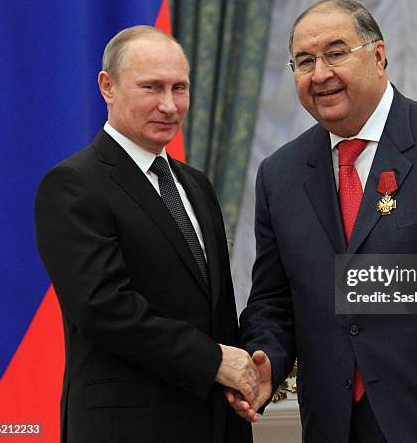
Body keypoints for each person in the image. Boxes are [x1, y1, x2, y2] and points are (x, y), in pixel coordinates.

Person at [230, 0, 417, 443]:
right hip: (335, 424)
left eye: (336, 53)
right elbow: (273, 302)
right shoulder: (280, 175)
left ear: (377, 56)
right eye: (304, 61)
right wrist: (264, 362)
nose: (320, 74)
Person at [34, 26, 256, 443]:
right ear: (108, 87)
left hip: (215, 424)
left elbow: (215, 308)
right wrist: (212, 361)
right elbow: (103, 308)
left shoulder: (196, 185)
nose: (169, 105)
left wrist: (244, 376)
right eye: (151, 87)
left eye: (180, 88)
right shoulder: (73, 184)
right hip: (127, 427)